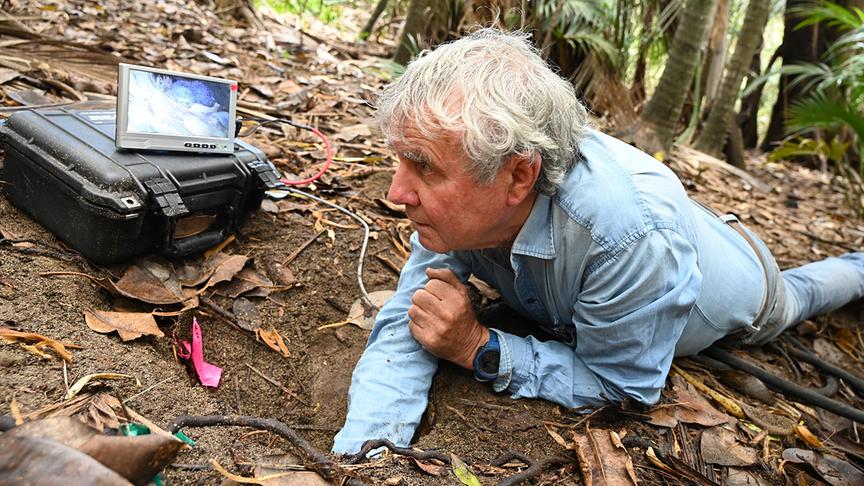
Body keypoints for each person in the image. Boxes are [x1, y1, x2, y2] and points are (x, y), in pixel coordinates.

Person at [331, 28, 864, 454]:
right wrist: (367, 450)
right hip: (677, 231)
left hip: (753, 286)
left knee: (814, 289)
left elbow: (625, 386)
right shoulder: (467, 200)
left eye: (423, 167)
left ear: (519, 177)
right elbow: (411, 318)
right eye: (400, 159)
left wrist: (480, 348)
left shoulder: (625, 237)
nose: (398, 191)